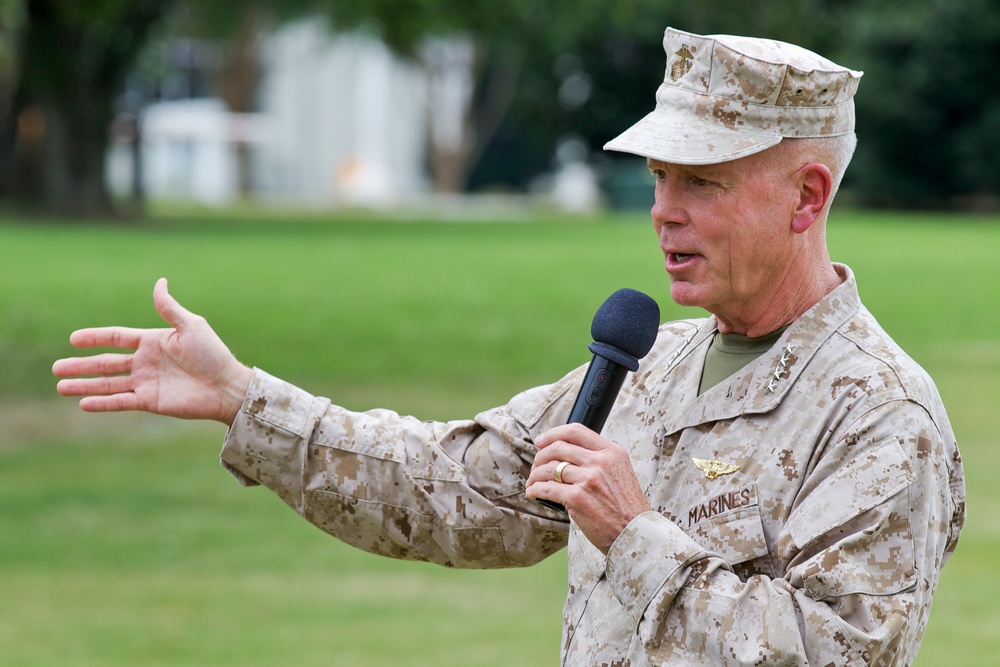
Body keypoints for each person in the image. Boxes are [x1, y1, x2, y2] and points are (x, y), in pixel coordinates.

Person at [53, 27, 965, 666]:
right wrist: (246, 398)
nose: (663, 212)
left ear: (806, 198)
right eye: (657, 177)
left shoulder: (881, 414)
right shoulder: (651, 365)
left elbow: (834, 657)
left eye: (703, 182)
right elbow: (449, 487)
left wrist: (635, 534)